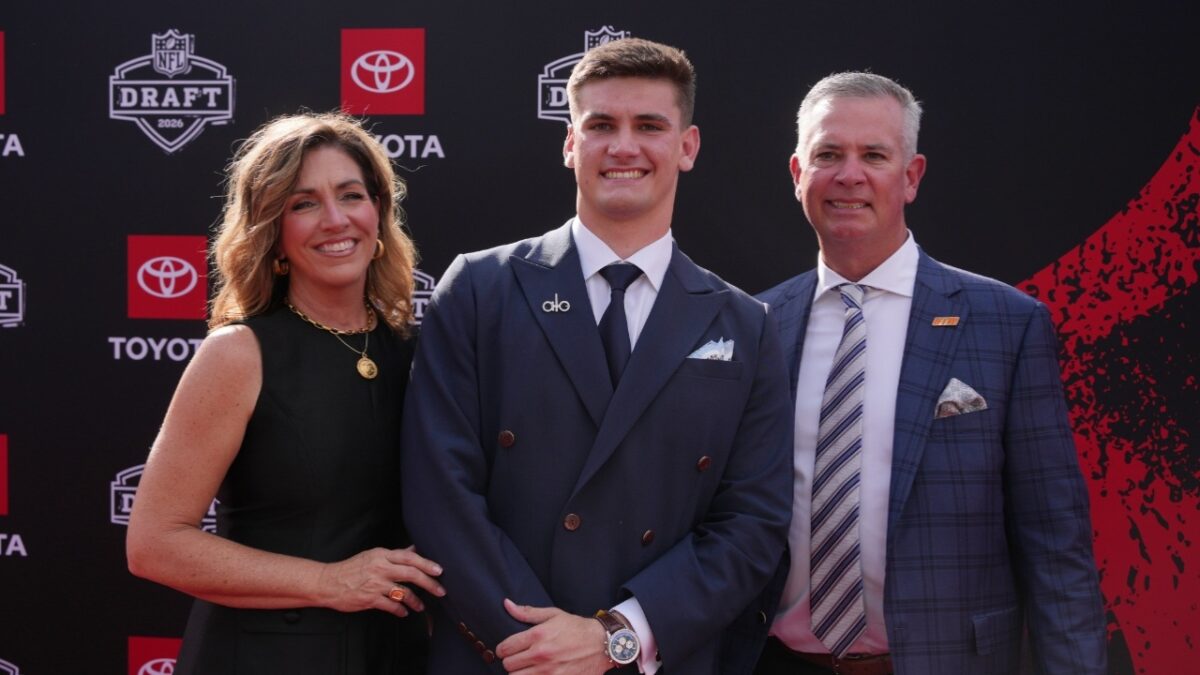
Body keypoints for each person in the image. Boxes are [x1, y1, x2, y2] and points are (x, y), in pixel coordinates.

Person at [400, 38, 793, 674]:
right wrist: (539, 646)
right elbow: (439, 494)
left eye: (650, 126)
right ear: (569, 142)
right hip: (502, 658)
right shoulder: (479, 289)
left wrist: (618, 635)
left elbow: (751, 525)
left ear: (687, 147)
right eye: (601, 125)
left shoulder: (744, 324)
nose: (624, 147)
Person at [753, 72, 1107, 674]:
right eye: (828, 154)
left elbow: (1056, 546)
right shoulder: (756, 323)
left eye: (874, 156)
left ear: (911, 176)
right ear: (797, 174)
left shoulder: (1006, 325)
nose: (850, 175)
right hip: (775, 663)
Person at [125, 112, 443, 674]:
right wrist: (329, 581)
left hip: (392, 655)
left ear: (379, 213)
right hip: (264, 656)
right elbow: (155, 543)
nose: (335, 219)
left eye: (351, 195)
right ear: (272, 229)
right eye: (303, 204)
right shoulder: (239, 353)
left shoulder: (417, 352)